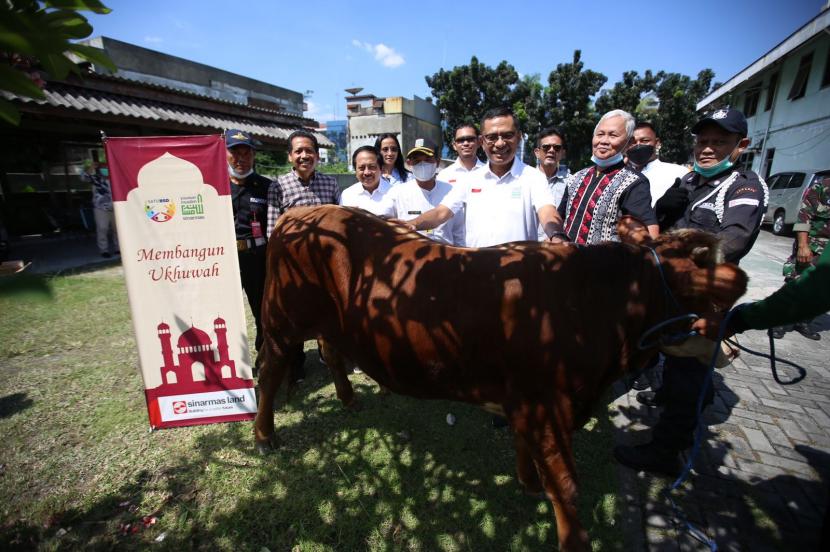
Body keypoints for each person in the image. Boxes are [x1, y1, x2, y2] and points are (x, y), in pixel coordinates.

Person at [614, 108, 769, 477]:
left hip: (701, 296)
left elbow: (734, 240)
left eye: (720, 142)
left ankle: (666, 451)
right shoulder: (688, 182)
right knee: (670, 355)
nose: (708, 149)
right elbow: (657, 222)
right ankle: (680, 398)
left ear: (740, 145)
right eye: (703, 141)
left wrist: (676, 251)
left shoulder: (743, 186)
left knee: (688, 372)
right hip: (670, 293)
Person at [405, 106, 564, 247]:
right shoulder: (470, 180)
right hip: (478, 273)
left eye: (507, 135)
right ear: (482, 140)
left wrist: (557, 235)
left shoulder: (533, 178)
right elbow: (441, 213)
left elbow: (548, 212)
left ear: (519, 137)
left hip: (520, 273)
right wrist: (411, 224)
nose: (500, 143)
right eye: (492, 137)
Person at [266, 129, 341, 381]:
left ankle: (328, 355)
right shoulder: (278, 186)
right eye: (298, 151)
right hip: (294, 265)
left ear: (317, 156)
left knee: (329, 311)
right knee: (294, 315)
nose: (304, 155)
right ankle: (295, 363)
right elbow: (272, 231)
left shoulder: (330, 184)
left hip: (327, 264)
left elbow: (340, 224)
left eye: (309, 150)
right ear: (290, 156)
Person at [559, 109, 659, 244]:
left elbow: (647, 233)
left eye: (613, 135)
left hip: (606, 263)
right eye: (600, 134)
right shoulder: (577, 177)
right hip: (566, 260)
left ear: (629, 143)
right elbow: (560, 218)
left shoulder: (634, 182)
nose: (604, 141)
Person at [226, 129, 272, 353]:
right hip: (225, 261)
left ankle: (264, 358)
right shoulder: (214, 186)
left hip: (257, 258)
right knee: (225, 314)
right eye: (235, 153)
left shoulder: (266, 186)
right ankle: (233, 362)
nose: (241, 159)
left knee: (263, 312)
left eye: (246, 153)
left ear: (254, 156)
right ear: (225, 154)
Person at [770, 173, 829, 341]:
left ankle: (803, 321)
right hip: (814, 246)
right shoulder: (823, 187)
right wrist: (803, 246)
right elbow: (804, 217)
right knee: (796, 283)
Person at [386, 137, 464, 245]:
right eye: (417, 161)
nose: (422, 164)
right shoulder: (397, 194)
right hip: (411, 255)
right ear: (409, 163)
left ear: (437, 162)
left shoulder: (451, 191)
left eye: (427, 159)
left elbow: (459, 232)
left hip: (446, 255)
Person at [626, 121, 689, 206]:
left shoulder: (679, 172)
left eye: (644, 141)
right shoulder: (622, 175)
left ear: (657, 143)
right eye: (633, 142)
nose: (638, 145)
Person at [340, 146, 394, 215]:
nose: (367, 172)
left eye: (372, 167)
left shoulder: (394, 193)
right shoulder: (347, 195)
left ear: (381, 168)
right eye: (361, 168)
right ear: (355, 170)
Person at [88, 161, 119, 258]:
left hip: (116, 207)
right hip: (100, 207)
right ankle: (104, 250)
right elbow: (83, 177)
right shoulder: (95, 178)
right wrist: (91, 167)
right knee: (102, 228)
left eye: (106, 168)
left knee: (117, 229)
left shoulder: (116, 178)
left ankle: (118, 248)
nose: (105, 170)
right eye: (103, 168)